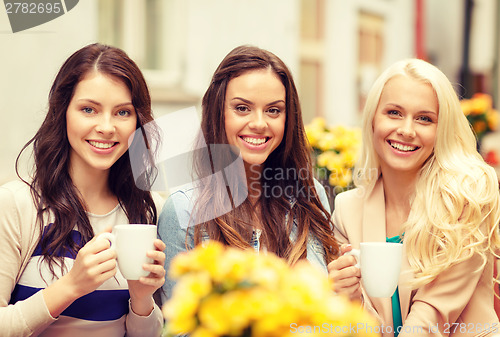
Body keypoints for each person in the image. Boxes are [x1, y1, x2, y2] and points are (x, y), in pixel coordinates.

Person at [0, 43, 166, 337]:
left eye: (122, 112)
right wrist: (71, 286)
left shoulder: (149, 210)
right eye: (88, 109)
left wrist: (142, 300)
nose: (106, 127)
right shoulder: (17, 204)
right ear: (63, 111)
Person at [328, 58, 500, 337]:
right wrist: (349, 299)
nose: (407, 130)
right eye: (394, 113)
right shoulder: (347, 211)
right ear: (373, 119)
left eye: (424, 118)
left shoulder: (467, 198)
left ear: (441, 128)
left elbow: (432, 317)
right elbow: (362, 327)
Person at [157, 45, 339, 303]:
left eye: (273, 110)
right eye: (242, 108)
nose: (259, 123)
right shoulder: (184, 210)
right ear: (217, 113)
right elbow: (180, 327)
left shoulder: (308, 197)